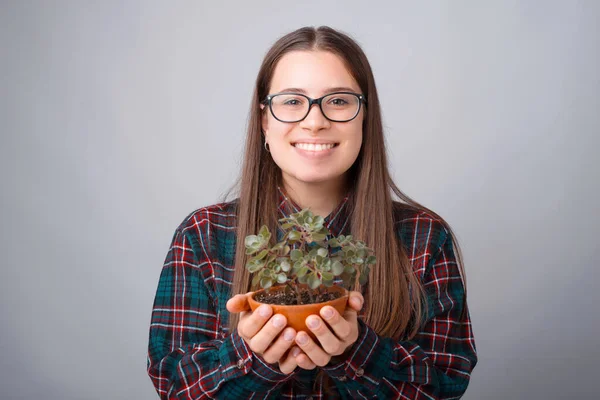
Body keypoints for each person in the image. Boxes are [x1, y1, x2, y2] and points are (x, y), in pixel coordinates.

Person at [147, 26, 477, 399]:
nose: (315, 121)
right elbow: (173, 384)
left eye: (338, 101)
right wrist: (250, 357)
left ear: (364, 118)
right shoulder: (204, 234)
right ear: (264, 121)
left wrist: (356, 350)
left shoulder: (424, 237)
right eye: (291, 101)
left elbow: (445, 385)